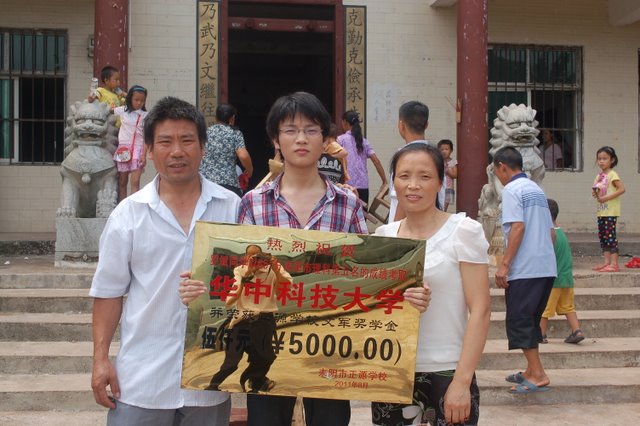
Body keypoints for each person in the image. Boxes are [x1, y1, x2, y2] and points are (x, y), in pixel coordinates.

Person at [237, 92, 428, 426]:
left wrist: (406, 291)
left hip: (330, 345)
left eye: (311, 130)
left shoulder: (347, 204)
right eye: (290, 130)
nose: (301, 139)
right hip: (268, 343)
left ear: (325, 140)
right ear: (276, 140)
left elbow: (365, 275)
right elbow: (241, 276)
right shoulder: (253, 203)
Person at [90, 96, 240, 425]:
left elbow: (251, 281)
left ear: (203, 147)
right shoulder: (128, 215)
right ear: (148, 149)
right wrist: (100, 358)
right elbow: (108, 292)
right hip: (142, 380)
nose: (177, 151)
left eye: (187, 140)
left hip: (209, 379)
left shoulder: (232, 208)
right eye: (165, 142)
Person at [371, 143, 490, 426]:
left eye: (424, 176)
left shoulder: (463, 231)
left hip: (447, 370)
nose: (413, 185)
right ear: (394, 183)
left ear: (439, 182)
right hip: (393, 370)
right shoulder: (384, 237)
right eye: (404, 176)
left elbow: (481, 310)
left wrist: (461, 382)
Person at [493, 146, 556, 394]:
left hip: (526, 268)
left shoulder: (512, 190)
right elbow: (551, 233)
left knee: (520, 320)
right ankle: (531, 370)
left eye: (496, 172)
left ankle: (538, 374)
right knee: (530, 320)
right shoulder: (536, 189)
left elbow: (517, 227)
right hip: (545, 266)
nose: (497, 177)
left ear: (502, 167)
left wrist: (505, 264)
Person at [206, 244, 292, 393]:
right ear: (246, 257)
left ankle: (254, 382)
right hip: (242, 322)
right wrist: (248, 274)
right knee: (231, 363)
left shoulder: (274, 268)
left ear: (264, 256)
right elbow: (229, 301)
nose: (255, 259)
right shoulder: (240, 270)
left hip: (264, 321)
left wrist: (276, 269)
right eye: (251, 256)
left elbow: (282, 289)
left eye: (258, 256)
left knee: (265, 357)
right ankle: (213, 386)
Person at [388, 101, 446, 222]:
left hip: (408, 230)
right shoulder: (436, 157)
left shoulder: (403, 159)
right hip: (434, 226)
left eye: (424, 176)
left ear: (401, 125)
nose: (413, 185)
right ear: (426, 125)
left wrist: (394, 232)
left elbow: (402, 203)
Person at [540, 199, 585, 344]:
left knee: (544, 309)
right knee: (568, 307)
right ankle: (577, 330)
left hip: (553, 280)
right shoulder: (562, 234)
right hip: (566, 279)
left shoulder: (549, 235)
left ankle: (541, 334)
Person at [200, 103, 253, 197]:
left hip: (205, 184)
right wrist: (249, 170)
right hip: (228, 183)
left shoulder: (205, 132)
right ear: (232, 118)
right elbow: (243, 156)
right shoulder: (235, 133)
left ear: (216, 118)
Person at [337, 110, 387, 205]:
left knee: (347, 214)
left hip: (347, 186)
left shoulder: (340, 140)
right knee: (362, 214)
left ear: (345, 122)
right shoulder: (364, 141)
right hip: (363, 186)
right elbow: (376, 161)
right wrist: (384, 181)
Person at [591, 146, 626, 272]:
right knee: (603, 236)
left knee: (610, 236)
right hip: (602, 211)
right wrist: (595, 194)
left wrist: (606, 197)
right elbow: (597, 191)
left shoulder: (613, 175)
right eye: (599, 158)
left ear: (612, 160)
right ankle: (606, 262)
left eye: (605, 158)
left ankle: (614, 264)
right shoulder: (599, 176)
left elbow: (622, 189)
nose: (601, 161)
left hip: (610, 211)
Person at [113, 85, 148, 202]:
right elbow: (107, 110)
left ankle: (134, 206)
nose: (139, 103)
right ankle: (123, 206)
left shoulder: (145, 115)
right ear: (130, 99)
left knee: (135, 181)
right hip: (123, 149)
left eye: (142, 100)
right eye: (136, 99)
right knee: (122, 182)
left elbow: (146, 137)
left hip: (138, 150)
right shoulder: (122, 110)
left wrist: (144, 155)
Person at [438, 139, 458, 212]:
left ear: (451, 150)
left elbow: (455, 175)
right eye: (442, 149)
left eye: (446, 149)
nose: (444, 151)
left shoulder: (452, 162)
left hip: (448, 188)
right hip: (439, 188)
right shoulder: (438, 161)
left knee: (444, 207)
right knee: (438, 204)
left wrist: (448, 171)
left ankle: (443, 214)